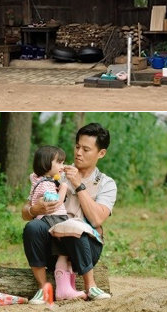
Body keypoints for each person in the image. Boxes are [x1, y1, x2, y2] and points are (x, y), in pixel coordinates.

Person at [22, 123, 117, 304]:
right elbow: (25, 211)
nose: (78, 153)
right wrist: (34, 210)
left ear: (101, 153)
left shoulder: (106, 183)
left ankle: (91, 286)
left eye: (86, 149)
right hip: (53, 247)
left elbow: (97, 219)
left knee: (73, 227)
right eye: (77, 147)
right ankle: (43, 288)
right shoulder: (57, 172)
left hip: (85, 249)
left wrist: (79, 185)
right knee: (33, 227)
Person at [27, 145, 87, 301]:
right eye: (59, 163)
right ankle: (58, 288)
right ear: (47, 164)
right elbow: (57, 201)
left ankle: (65, 287)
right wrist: (64, 187)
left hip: (47, 220)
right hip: (52, 220)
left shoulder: (38, 180)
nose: (62, 166)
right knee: (63, 248)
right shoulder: (47, 184)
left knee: (64, 252)